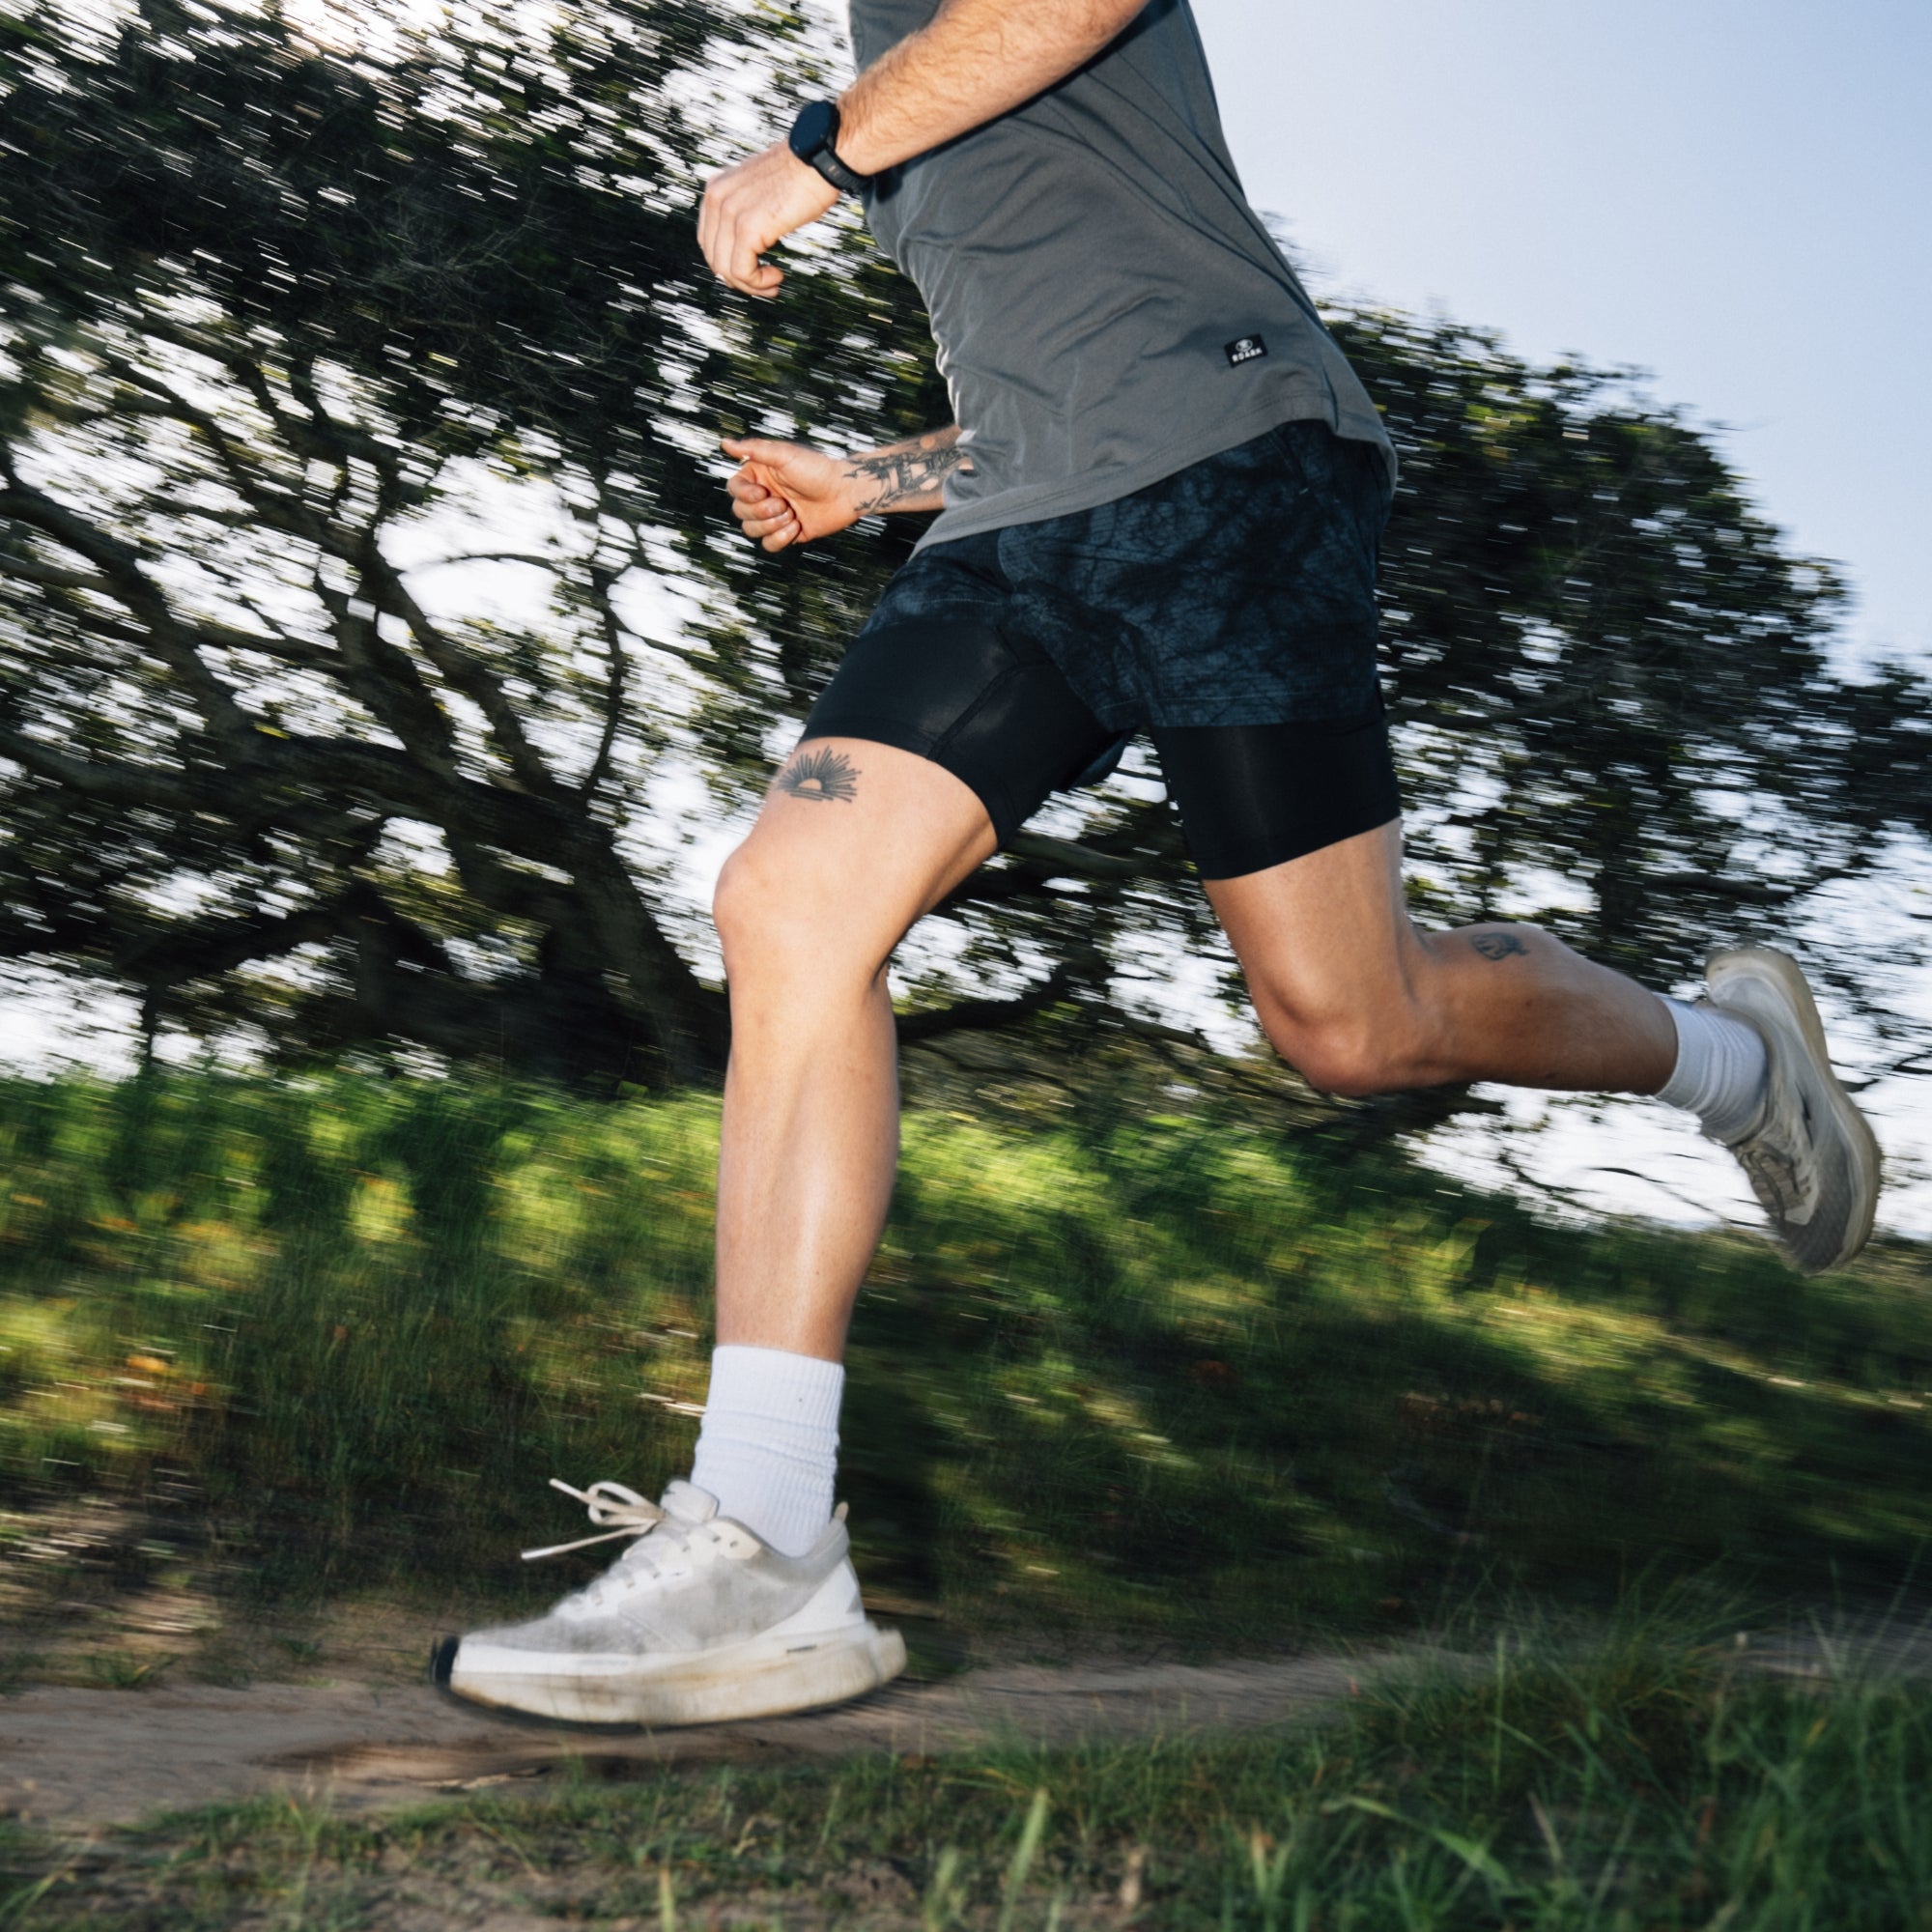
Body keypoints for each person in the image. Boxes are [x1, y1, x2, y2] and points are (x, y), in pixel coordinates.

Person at [433, 0, 1883, 1725]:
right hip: (1018, 526)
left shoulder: (901, 72)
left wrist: (822, 149)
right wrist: (869, 480)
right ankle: (759, 1537)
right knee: (790, 899)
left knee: (1354, 1025)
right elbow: (1050, 385)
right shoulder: (894, 47)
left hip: (1233, 470)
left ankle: (1735, 1060)